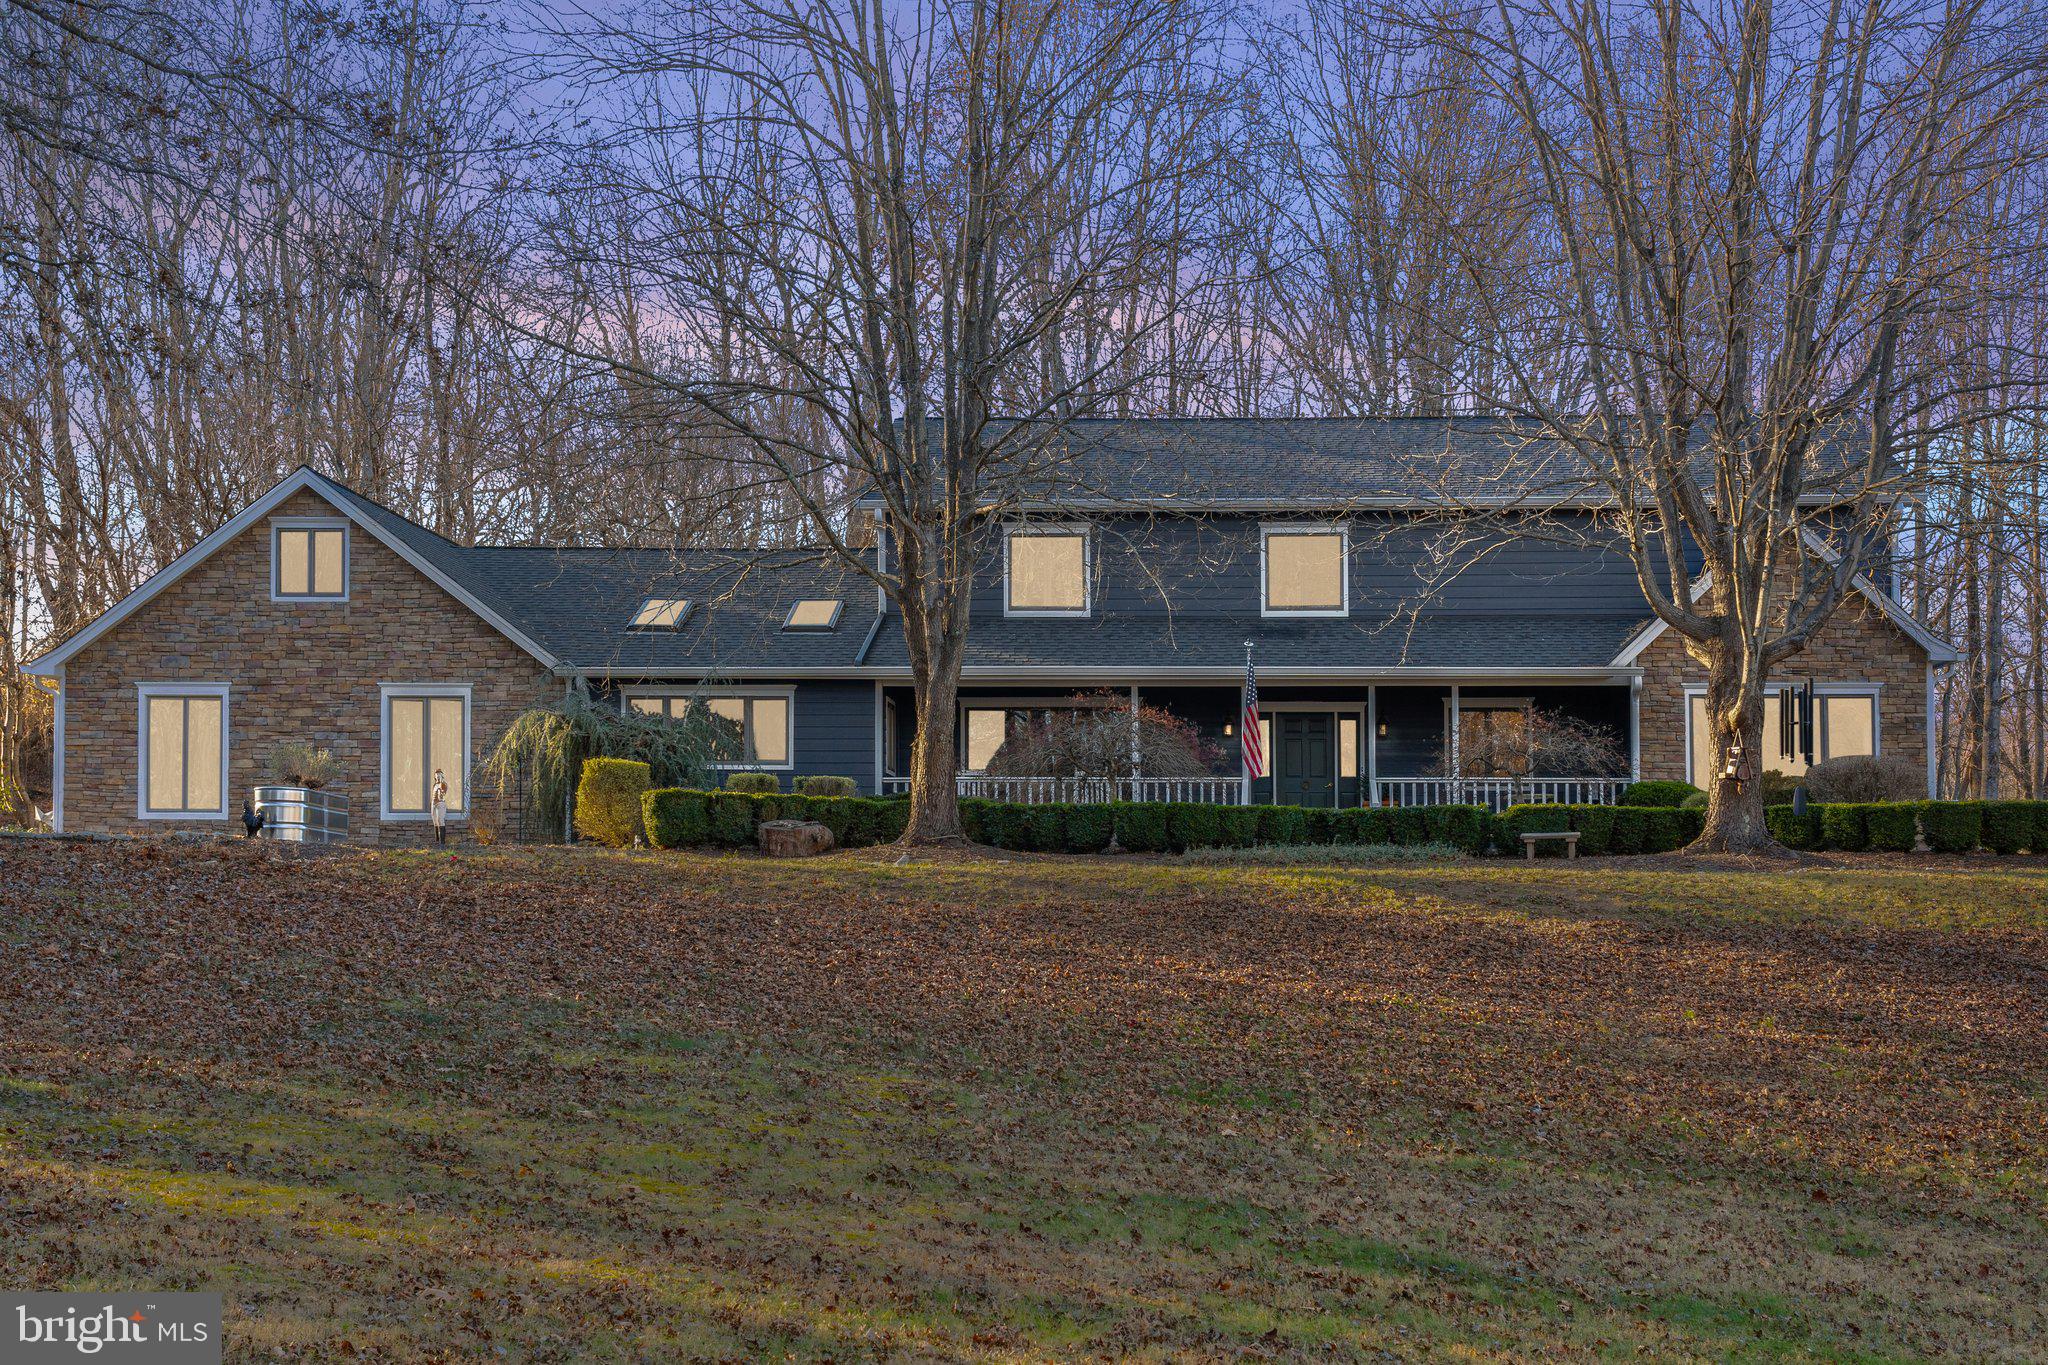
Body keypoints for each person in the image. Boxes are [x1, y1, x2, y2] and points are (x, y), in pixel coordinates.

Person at [430, 768, 449, 846]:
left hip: (440, 804)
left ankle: (442, 843)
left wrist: (442, 791)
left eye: (439, 775)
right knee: (435, 821)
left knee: (440, 820)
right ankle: (437, 840)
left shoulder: (443, 784)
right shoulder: (435, 784)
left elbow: (443, 793)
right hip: (433, 804)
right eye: (436, 775)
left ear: (442, 776)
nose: (438, 776)